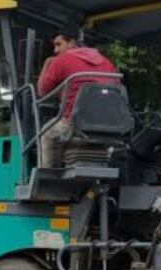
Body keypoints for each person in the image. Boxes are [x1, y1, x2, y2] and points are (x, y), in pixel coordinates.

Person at [37, 29, 118, 167]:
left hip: (75, 123)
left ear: (72, 43)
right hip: (107, 125)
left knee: (46, 134)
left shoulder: (61, 60)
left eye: (58, 44)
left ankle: (48, 176)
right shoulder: (107, 63)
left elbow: (42, 91)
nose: (56, 50)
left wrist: (46, 63)